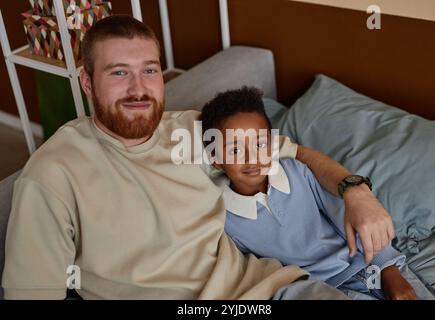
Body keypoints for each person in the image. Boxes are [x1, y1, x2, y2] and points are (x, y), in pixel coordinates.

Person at [2, 15, 392, 300]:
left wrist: (356, 191)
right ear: (87, 82)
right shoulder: (54, 173)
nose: (139, 89)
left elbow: (297, 153)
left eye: (149, 70)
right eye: (119, 73)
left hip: (270, 289)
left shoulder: (196, 132)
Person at [199, 86, 435, 300]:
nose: (252, 158)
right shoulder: (224, 218)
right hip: (325, 290)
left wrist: (389, 271)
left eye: (260, 144)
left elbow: (357, 221)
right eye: (235, 150)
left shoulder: (298, 173)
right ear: (216, 160)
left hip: (374, 264)